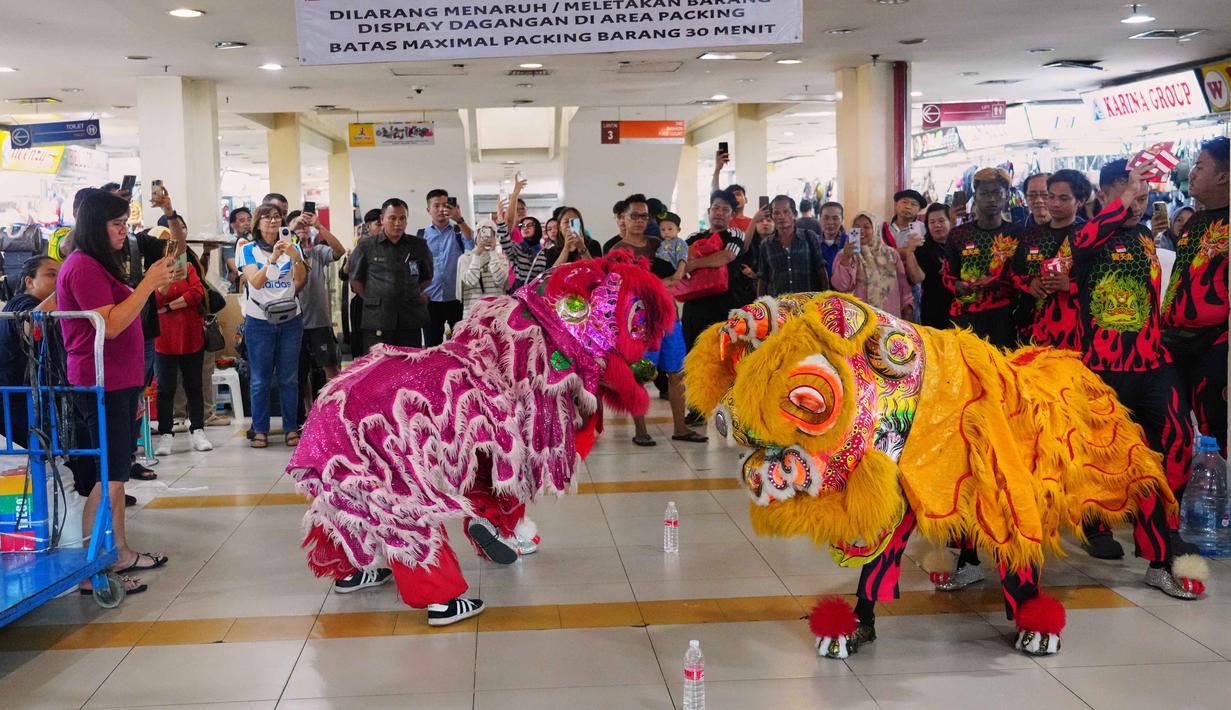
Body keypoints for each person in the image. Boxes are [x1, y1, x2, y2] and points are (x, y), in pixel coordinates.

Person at [1073, 160, 1197, 574]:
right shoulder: (1086, 235)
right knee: (1101, 455)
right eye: (1129, 196)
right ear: (1106, 193)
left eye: (1143, 198)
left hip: (1152, 362)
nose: (1138, 205)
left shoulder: (1144, 235)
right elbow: (1084, 241)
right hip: (1104, 367)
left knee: (1177, 438)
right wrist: (1123, 200)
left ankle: (1163, 537)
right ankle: (1094, 524)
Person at [58, 190, 176, 597]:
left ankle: (120, 552)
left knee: (117, 475)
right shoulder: (84, 267)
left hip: (120, 381)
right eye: (116, 224)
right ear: (94, 226)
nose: (123, 231)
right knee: (109, 478)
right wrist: (146, 285)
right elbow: (108, 325)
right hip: (100, 383)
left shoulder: (99, 265)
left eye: (125, 223)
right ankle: (92, 569)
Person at [1162, 136, 1230, 452]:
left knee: (1214, 427)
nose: (1191, 173)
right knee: (1175, 424)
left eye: (1200, 166)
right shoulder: (1196, 221)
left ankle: (1216, 491)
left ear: (1223, 175)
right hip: (1175, 342)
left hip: (1216, 346)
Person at [237, 203, 308, 448]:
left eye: (277, 217)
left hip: (290, 320)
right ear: (257, 223)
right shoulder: (247, 250)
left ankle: (291, 428)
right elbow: (255, 281)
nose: (272, 221)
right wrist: (275, 258)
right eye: (266, 217)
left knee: (289, 378)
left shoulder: (294, 247)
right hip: (259, 321)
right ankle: (260, 429)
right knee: (260, 379)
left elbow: (300, 280)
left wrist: (295, 257)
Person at [941, 167, 1022, 349]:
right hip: (965, 316)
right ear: (975, 196)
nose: (991, 199)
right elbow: (948, 275)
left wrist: (999, 282)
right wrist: (958, 286)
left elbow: (1022, 275)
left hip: (1004, 316)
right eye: (985, 193)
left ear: (1007, 196)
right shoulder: (958, 235)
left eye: (997, 193)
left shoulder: (1017, 233)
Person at [1009, 170, 1087, 352]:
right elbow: (1014, 272)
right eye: (1051, 196)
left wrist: (1071, 284)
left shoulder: (1087, 237)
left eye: (1064, 198)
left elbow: (1102, 280)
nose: (1054, 203)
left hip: (1074, 332)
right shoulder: (1030, 236)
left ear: (1080, 202)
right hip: (1034, 329)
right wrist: (1029, 282)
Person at [152, 227, 212, 456]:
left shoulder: (187, 267)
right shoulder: (153, 272)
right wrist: (166, 287)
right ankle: (166, 433)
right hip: (164, 339)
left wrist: (168, 306)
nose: (169, 248)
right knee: (165, 388)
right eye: (164, 243)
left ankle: (198, 428)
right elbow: (153, 301)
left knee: (194, 385)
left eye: (171, 243)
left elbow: (196, 294)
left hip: (190, 335)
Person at [349, 198, 434, 350]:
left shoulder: (418, 245)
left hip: (410, 319)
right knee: (378, 368)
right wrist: (374, 298)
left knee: (409, 367)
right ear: (382, 219)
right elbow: (356, 280)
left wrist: (410, 292)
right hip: (378, 319)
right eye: (392, 218)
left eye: (402, 218)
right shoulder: (366, 246)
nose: (398, 223)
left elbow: (427, 277)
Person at [680, 189, 750, 352]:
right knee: (694, 355)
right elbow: (679, 261)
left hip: (726, 307)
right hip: (695, 308)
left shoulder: (735, 233)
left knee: (726, 357)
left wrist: (694, 264)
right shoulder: (693, 237)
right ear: (708, 211)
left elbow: (726, 256)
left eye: (725, 209)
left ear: (732, 215)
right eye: (716, 208)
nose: (719, 213)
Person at [0, 256, 59, 448]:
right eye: (51, 275)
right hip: (18, 401)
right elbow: (30, 325)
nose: (58, 280)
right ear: (29, 281)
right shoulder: (22, 303)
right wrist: (65, 289)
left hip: (27, 399)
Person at [293, 209, 346, 381]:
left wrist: (319, 226)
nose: (302, 229)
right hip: (294, 323)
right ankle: (306, 407)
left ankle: (332, 406)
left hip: (319, 321)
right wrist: (291, 232)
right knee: (299, 373)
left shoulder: (317, 252)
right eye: (297, 225)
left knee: (330, 367)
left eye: (304, 226)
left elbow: (340, 251)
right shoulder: (282, 255)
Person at [832, 212, 914, 318]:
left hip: (888, 316)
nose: (861, 230)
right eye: (856, 227)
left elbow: (903, 285)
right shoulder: (844, 254)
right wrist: (846, 258)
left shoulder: (891, 254)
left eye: (866, 227)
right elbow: (841, 286)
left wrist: (907, 307)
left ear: (875, 229)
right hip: (857, 317)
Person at [421, 190, 474, 347]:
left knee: (461, 345)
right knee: (431, 346)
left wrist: (459, 219)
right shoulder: (421, 235)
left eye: (445, 205)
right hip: (430, 299)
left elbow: (472, 244)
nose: (441, 209)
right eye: (436, 205)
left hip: (457, 298)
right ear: (428, 209)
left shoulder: (459, 231)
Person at [757, 195, 830, 297]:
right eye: (776, 213)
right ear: (772, 217)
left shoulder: (809, 237)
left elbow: (821, 270)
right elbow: (763, 278)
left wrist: (825, 298)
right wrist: (761, 305)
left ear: (794, 214)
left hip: (807, 306)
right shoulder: (766, 244)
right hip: (778, 308)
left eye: (786, 212)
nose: (781, 216)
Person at [457, 221, 509, 318]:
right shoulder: (465, 258)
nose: (486, 237)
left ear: (495, 238)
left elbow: (500, 280)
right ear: (476, 236)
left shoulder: (502, 259)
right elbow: (470, 281)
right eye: (482, 233)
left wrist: (493, 253)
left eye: (490, 234)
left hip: (497, 313)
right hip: (472, 315)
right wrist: (477, 255)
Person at [917, 204, 955, 329]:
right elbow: (919, 277)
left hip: (959, 305)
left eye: (941, 220)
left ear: (950, 222)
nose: (937, 225)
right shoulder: (922, 248)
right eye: (932, 222)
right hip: (933, 307)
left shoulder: (958, 244)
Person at [222, 207, 251, 293]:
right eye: (242, 221)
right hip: (237, 290)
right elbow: (237, 268)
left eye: (249, 220)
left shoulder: (257, 241)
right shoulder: (229, 243)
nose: (247, 223)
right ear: (232, 225)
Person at [656, 212, 688, 283]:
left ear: (678, 229)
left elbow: (682, 257)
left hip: (669, 268)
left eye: (670, 229)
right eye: (663, 230)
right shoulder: (662, 243)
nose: (666, 232)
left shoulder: (679, 242)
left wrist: (680, 271)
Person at [817, 201, 847, 277]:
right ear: (819, 219)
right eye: (826, 218)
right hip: (819, 288)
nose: (830, 222)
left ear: (842, 220)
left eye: (835, 218)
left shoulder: (849, 243)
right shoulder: (813, 242)